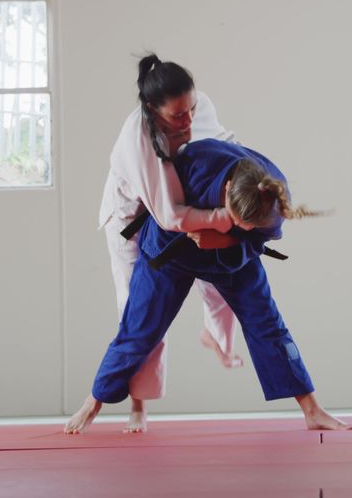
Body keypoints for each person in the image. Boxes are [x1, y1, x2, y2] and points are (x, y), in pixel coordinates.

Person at [66, 138, 352, 433]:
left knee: (267, 324)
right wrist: (199, 228)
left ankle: (312, 410)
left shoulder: (272, 196)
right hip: (171, 247)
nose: (244, 227)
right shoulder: (194, 165)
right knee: (140, 327)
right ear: (227, 189)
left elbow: (257, 240)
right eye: (238, 220)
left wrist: (229, 238)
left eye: (249, 225)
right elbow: (163, 212)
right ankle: (94, 401)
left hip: (234, 256)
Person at [95, 54, 243, 432]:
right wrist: (220, 218)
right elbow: (169, 215)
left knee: (223, 274)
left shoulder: (197, 106)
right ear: (151, 109)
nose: (188, 120)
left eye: (191, 109)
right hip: (135, 221)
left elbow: (225, 144)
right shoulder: (137, 140)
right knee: (140, 313)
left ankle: (215, 335)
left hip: (184, 206)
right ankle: (138, 407)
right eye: (178, 116)